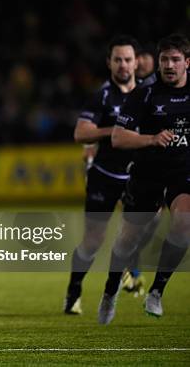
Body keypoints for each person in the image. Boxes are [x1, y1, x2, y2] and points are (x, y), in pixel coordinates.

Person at [64, 35, 161, 315]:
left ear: (136, 62)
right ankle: (74, 288)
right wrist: (115, 132)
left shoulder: (148, 95)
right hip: (105, 175)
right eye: (117, 59)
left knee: (152, 219)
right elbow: (80, 133)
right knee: (93, 242)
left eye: (128, 59)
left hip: (137, 176)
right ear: (109, 62)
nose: (123, 65)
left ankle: (130, 262)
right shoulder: (102, 96)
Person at [99, 33, 190, 324]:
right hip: (147, 174)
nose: (169, 65)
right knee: (126, 242)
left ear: (187, 62)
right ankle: (110, 291)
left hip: (182, 173)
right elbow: (117, 137)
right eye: (164, 59)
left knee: (185, 222)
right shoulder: (145, 94)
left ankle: (156, 292)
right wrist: (151, 138)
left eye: (175, 59)